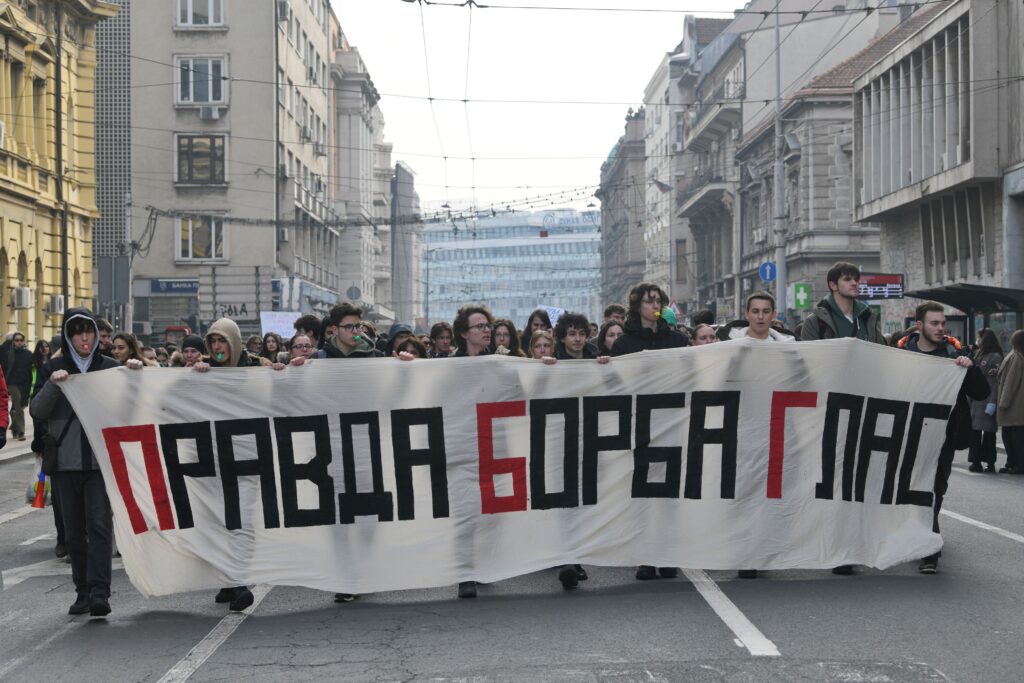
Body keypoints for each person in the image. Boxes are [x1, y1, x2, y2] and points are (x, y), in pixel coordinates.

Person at [30, 308, 142, 618]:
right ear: (68, 336)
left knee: (99, 526)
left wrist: (133, 375)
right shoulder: (54, 366)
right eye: (77, 331)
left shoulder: (109, 367)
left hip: (99, 463)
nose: (84, 337)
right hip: (65, 464)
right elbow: (37, 411)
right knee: (75, 532)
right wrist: (54, 383)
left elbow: (130, 409)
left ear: (95, 335)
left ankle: (99, 592)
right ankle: (82, 590)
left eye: (88, 331)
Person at [897, 302, 989, 574]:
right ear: (919, 325)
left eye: (942, 323)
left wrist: (969, 367)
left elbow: (981, 392)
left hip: (944, 436)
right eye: (934, 323)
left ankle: (929, 547)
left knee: (936, 488)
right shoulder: (902, 353)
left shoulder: (954, 354)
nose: (940, 328)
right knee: (912, 488)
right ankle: (921, 538)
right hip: (910, 434)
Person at [800, 262, 884, 343]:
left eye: (856, 279)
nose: (854, 283)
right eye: (847, 279)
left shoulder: (868, 318)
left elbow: (880, 353)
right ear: (833, 285)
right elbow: (809, 356)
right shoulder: (815, 322)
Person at [610, 283, 687, 356]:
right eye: (649, 302)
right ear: (637, 306)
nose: (656, 306)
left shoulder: (678, 340)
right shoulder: (622, 344)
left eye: (659, 301)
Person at [968, 329, 1003, 472]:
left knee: (989, 433)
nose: (978, 340)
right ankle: (975, 462)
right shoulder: (978, 354)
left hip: (988, 399)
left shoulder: (995, 357)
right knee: (975, 433)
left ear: (985, 339)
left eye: (979, 338)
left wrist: (993, 401)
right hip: (976, 400)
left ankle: (990, 462)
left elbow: (996, 381)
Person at [996, 330, 1024, 474]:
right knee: (1013, 435)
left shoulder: (1016, 357)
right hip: (1017, 405)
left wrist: (1003, 402)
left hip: (1013, 405)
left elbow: (1010, 382)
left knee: (1013, 436)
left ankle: (1017, 464)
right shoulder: (1018, 356)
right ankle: (1012, 462)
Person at [315, 303, 383, 360]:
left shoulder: (377, 356)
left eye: (357, 326)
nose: (355, 331)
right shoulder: (319, 357)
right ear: (335, 330)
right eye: (348, 327)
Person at [719, 291, 794, 342]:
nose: (760, 317)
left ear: (773, 315)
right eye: (755, 311)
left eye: (766, 311)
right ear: (747, 314)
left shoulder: (788, 346)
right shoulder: (729, 342)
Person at [1, 331, 33, 441]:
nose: (19, 342)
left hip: (24, 383)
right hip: (12, 383)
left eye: (21, 340)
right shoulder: (8, 354)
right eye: (17, 340)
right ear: (13, 342)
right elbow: (4, 370)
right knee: (19, 407)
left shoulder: (28, 354)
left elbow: (29, 372)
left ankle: (14, 427)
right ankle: (21, 432)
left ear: (24, 341)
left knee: (18, 407)